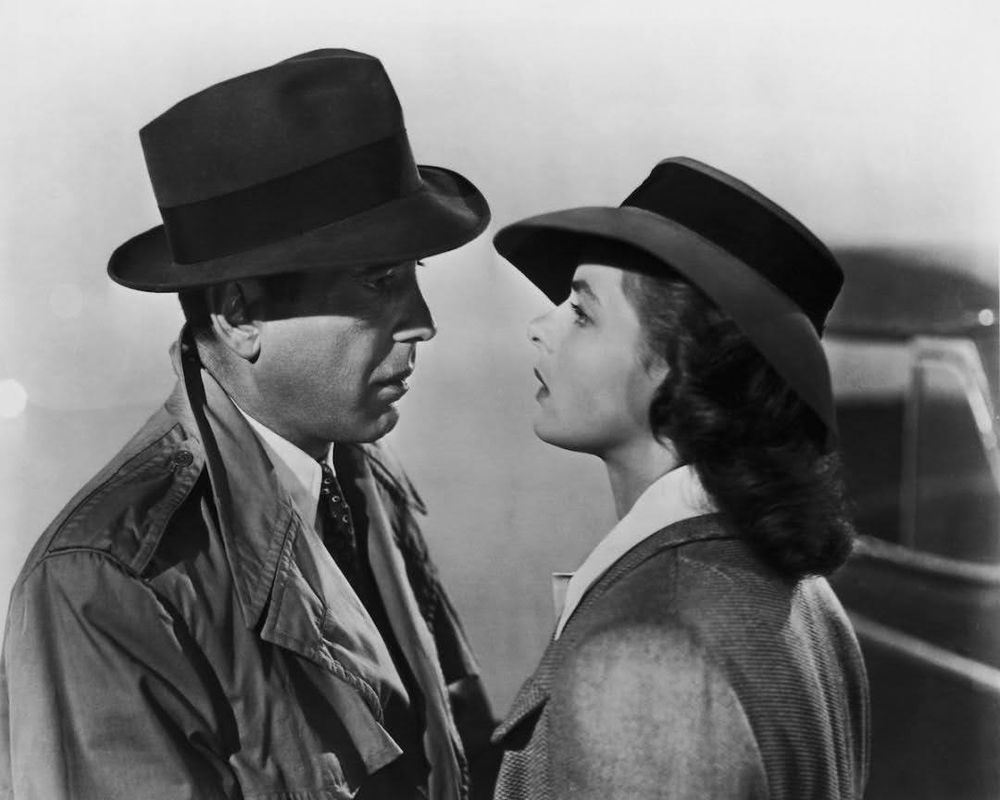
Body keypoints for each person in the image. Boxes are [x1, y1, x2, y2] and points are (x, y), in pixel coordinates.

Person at [0, 49, 498, 800]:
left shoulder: (364, 490)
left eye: (413, 278)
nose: (422, 324)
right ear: (240, 315)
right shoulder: (108, 584)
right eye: (379, 281)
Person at [490, 157, 870, 799]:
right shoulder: (803, 595)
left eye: (582, 313)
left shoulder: (648, 653)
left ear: (678, 364)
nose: (540, 326)